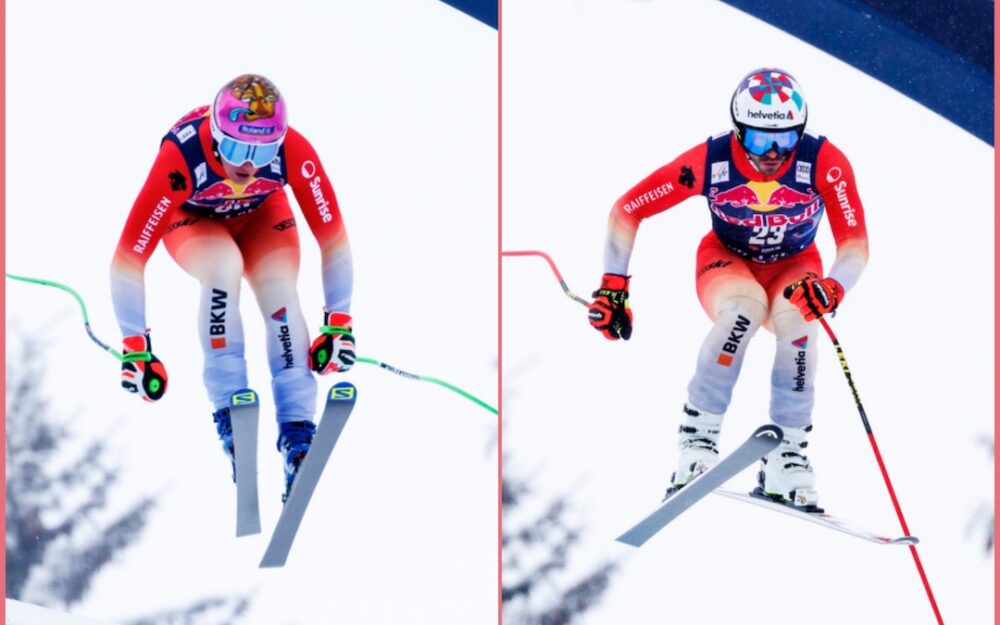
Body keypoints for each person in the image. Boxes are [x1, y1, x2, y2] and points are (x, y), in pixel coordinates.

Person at [588, 68, 869, 511]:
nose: (773, 153)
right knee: (743, 311)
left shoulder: (824, 162)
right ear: (738, 133)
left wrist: (835, 286)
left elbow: (854, 244)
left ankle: (789, 454)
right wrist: (613, 288)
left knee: (799, 323)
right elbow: (628, 209)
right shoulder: (711, 161)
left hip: (795, 264)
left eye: (785, 139)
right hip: (727, 259)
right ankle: (697, 441)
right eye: (758, 140)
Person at [110, 74, 356, 501]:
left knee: (280, 290)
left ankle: (298, 435)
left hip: (261, 215)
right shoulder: (182, 157)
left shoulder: (295, 152)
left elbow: (334, 239)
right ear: (216, 134)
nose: (248, 165)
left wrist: (339, 321)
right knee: (224, 268)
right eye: (238, 148)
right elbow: (128, 259)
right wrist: (136, 347)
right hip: (193, 221)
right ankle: (230, 414)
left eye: (262, 152)